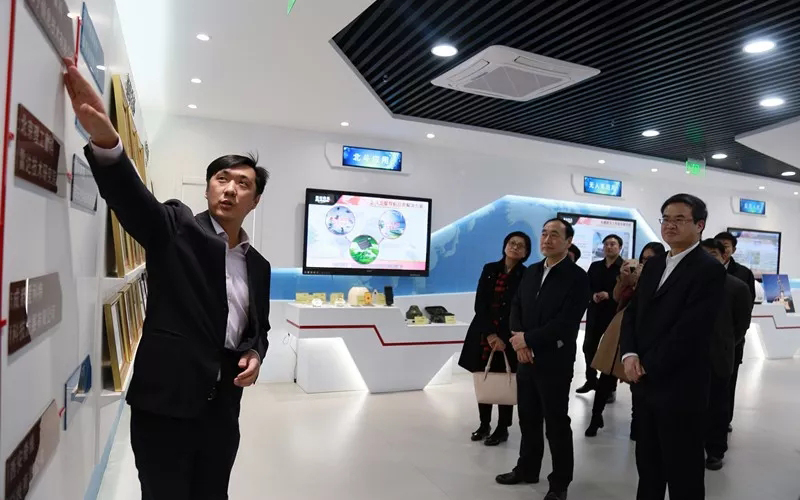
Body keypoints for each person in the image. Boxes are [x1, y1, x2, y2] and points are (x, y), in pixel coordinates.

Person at [64, 58, 272, 499]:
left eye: (242, 183)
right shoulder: (177, 228)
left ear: (255, 200)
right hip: (165, 407)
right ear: (208, 187)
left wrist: (255, 353)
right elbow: (133, 201)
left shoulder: (259, 265)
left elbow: (259, 330)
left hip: (223, 412)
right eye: (221, 179)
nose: (229, 188)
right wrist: (107, 142)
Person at [621, 194, 726, 500]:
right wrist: (629, 354)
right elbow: (632, 313)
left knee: (683, 471)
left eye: (680, 219)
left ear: (700, 225)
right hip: (644, 384)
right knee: (648, 465)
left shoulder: (708, 270)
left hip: (681, 387)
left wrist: (647, 365)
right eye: (666, 218)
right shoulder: (654, 264)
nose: (670, 225)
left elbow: (691, 330)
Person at [495, 218, 591, 500]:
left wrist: (529, 340)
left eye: (555, 235)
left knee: (556, 422)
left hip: (554, 360)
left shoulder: (577, 277)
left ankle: (559, 483)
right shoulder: (532, 271)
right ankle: (527, 468)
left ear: (568, 242)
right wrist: (519, 340)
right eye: (544, 233)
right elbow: (516, 306)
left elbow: (566, 322)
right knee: (528, 418)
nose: (547, 239)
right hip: (525, 357)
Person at [584, 242, 666, 438]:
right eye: (644, 258)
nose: (645, 262)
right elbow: (616, 296)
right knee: (607, 373)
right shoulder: (631, 272)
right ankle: (596, 417)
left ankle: (637, 423)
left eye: (651, 259)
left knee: (637, 378)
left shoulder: (663, 276)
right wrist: (624, 278)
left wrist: (641, 279)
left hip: (645, 330)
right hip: (620, 326)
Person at [458, 231, 532, 446]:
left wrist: (503, 337)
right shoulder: (490, 269)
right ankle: (484, 424)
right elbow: (480, 303)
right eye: (511, 243)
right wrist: (490, 334)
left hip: (509, 336)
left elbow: (522, 309)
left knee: (505, 379)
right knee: (485, 378)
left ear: (526, 253)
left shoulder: (526, 275)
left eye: (520, 245)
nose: (515, 247)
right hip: (484, 333)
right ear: (505, 245)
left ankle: (502, 427)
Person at [699, 239, 753, 471]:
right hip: (687, 355)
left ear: (724, 257)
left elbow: (741, 325)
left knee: (718, 405)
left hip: (719, 355)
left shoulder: (737, 287)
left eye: (713, 254)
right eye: (703, 254)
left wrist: (726, 343)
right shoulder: (689, 282)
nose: (707, 259)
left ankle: (715, 451)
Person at [713, 231, 756, 433]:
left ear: (733, 250)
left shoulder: (743, 274)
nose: (723, 248)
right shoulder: (702, 272)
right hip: (705, 343)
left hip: (731, 341)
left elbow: (745, 310)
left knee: (728, 382)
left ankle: (724, 420)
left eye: (727, 245)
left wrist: (731, 339)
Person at [577, 234, 623, 395]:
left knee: (610, 351)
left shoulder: (624, 267)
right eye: (606, 244)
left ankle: (609, 388)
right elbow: (587, 286)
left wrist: (608, 294)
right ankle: (591, 380)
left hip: (613, 314)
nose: (609, 247)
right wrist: (593, 295)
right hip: (595, 312)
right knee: (588, 347)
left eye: (613, 244)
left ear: (620, 247)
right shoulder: (595, 266)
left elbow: (627, 290)